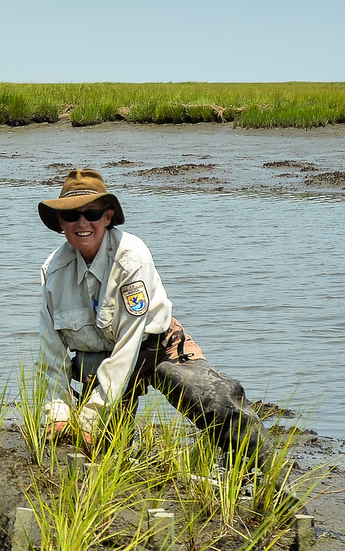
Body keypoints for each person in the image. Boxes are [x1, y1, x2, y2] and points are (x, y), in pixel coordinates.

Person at [37, 168, 271, 461]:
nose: (82, 223)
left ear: (107, 218)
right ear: (61, 222)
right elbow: (49, 356)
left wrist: (89, 416)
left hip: (155, 348)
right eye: (72, 215)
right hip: (96, 363)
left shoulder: (132, 257)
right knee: (90, 450)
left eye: (93, 214)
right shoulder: (53, 271)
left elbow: (128, 346)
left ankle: (271, 473)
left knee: (219, 401)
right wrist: (58, 414)